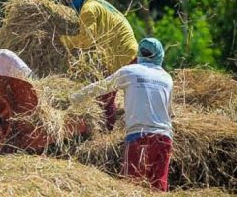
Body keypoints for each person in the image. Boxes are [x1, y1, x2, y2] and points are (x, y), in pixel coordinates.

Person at [69, 38, 173, 191]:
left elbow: (100, 87)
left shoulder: (129, 71)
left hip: (139, 135)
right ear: (160, 55)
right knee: (158, 188)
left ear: (139, 54)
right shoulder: (167, 78)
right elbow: (169, 112)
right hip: (164, 138)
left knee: (130, 187)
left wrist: (72, 98)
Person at [59, 0, 138, 130]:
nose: (68, 2)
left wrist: (63, 41)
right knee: (107, 94)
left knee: (104, 97)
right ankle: (111, 128)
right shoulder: (97, 2)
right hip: (126, 51)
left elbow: (87, 40)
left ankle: (107, 133)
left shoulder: (88, 9)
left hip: (122, 55)